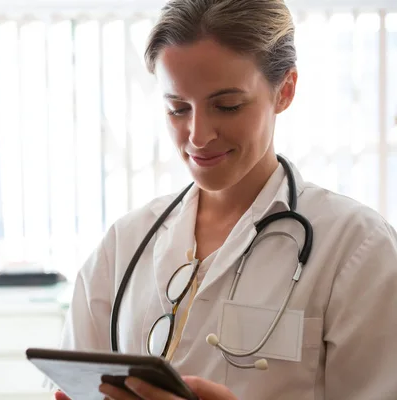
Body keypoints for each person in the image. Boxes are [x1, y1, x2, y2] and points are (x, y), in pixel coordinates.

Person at [56, 0, 397, 399]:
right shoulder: (125, 244)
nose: (198, 136)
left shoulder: (358, 248)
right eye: (178, 109)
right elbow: (70, 383)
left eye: (227, 106)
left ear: (284, 91)